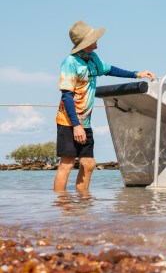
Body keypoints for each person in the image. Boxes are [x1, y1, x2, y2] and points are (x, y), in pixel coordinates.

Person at [55, 20, 155, 193]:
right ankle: (61, 208)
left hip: (84, 122)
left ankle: (84, 203)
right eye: (94, 38)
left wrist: (136, 74)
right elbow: (66, 96)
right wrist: (76, 125)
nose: (97, 40)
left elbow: (109, 69)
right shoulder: (70, 63)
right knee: (68, 163)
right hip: (68, 121)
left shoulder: (93, 58)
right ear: (85, 43)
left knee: (89, 164)